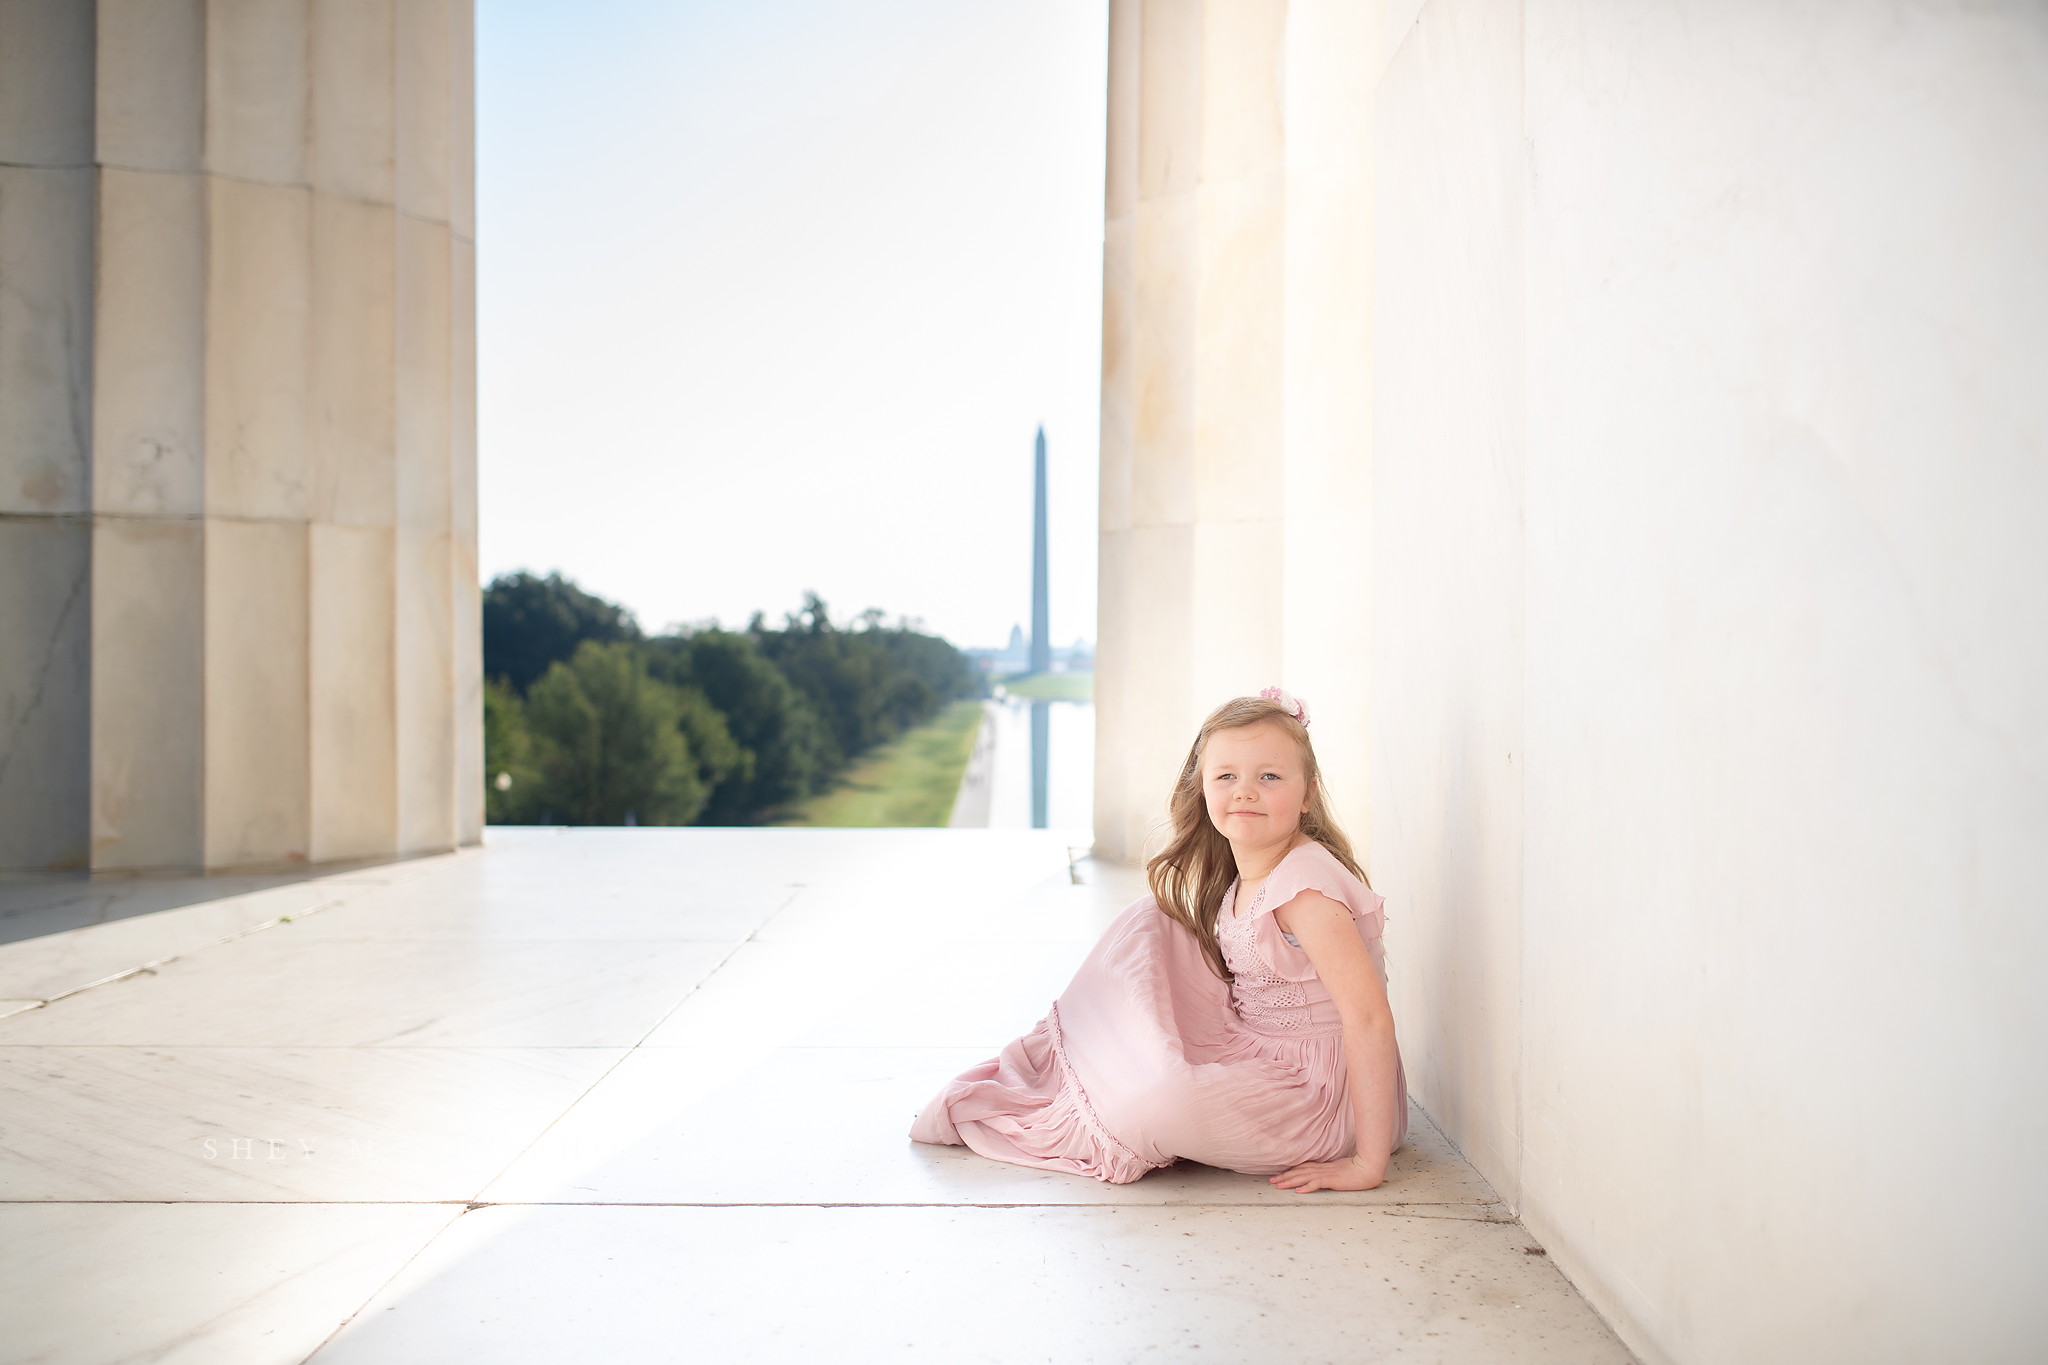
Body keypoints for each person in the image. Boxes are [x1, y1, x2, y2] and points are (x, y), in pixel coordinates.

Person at [910, 690, 1407, 1191]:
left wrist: (1367, 1162)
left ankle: (1135, 1088)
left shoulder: (1305, 890)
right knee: (1151, 921)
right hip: (1260, 1044)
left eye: (1270, 777)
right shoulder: (1250, 872)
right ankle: (1092, 1063)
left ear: (1307, 795)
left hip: (1319, 1096)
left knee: (1160, 1103)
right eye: (1226, 776)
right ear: (1203, 789)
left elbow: (1368, 1016)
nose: (1245, 791)